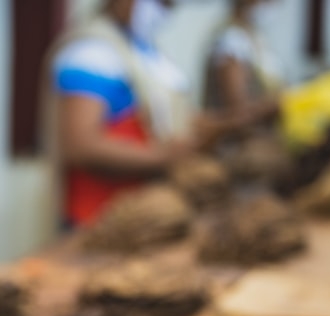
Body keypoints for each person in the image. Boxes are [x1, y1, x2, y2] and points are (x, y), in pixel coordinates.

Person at [50, 0, 259, 227]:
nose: (166, 11)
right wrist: (167, 157)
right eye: (161, 2)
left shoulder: (143, 50)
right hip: (101, 217)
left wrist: (219, 126)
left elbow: (163, 118)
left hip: (151, 211)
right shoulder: (91, 52)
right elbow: (82, 145)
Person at [204, 0, 285, 122]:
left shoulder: (255, 36)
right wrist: (284, 102)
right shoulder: (231, 40)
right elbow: (239, 111)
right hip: (237, 139)